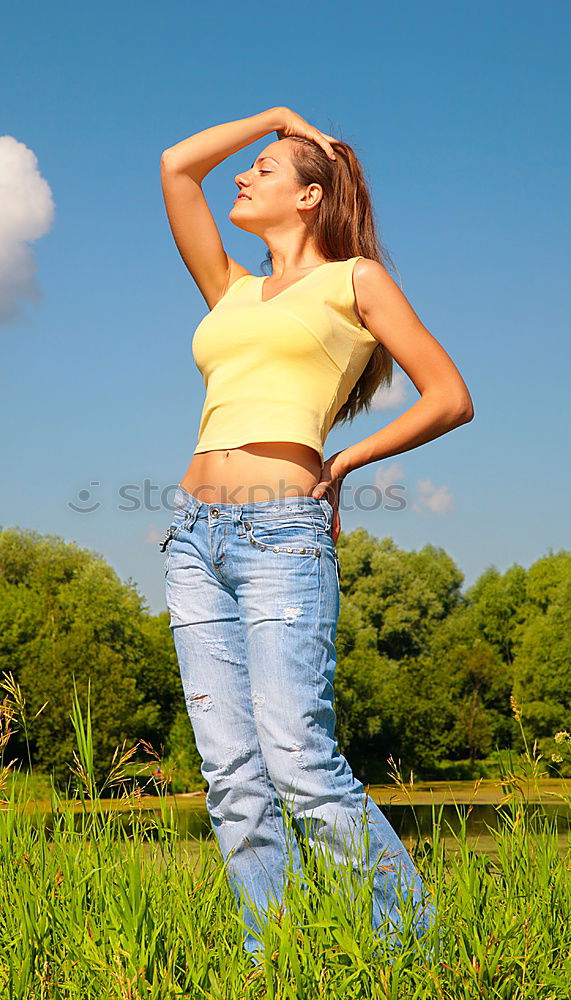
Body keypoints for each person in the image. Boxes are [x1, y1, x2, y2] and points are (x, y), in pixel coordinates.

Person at [158, 106, 473, 963]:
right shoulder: (231, 287)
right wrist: (271, 115)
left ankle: (416, 952)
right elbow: (177, 167)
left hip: (281, 539)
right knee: (231, 778)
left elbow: (447, 394)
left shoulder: (355, 281)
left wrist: (343, 462)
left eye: (263, 165)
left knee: (297, 756)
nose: (241, 175)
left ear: (308, 196)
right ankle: (277, 959)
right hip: (192, 541)